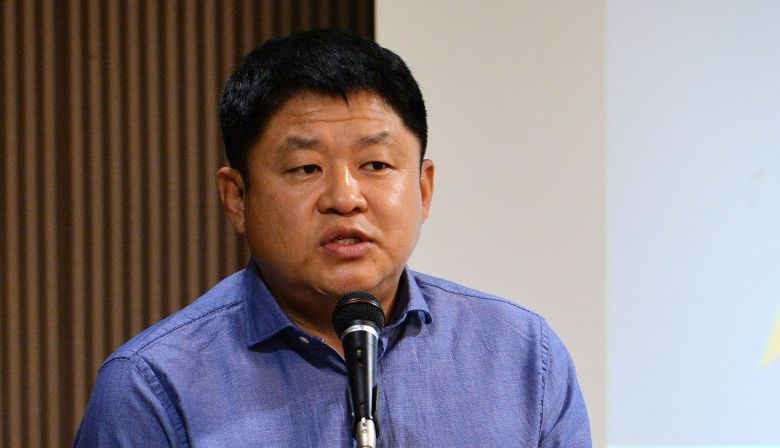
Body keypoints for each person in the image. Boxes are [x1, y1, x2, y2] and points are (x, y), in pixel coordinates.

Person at [75, 29, 591, 447]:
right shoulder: (152, 387)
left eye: (376, 164)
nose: (345, 198)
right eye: (306, 168)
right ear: (237, 198)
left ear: (423, 188)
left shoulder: (523, 357)